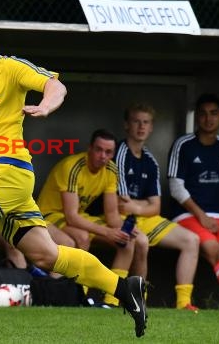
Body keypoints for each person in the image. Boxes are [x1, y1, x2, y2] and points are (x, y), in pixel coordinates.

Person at [0, 15, 147, 338]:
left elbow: (55, 85)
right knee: (46, 255)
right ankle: (124, 287)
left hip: (9, 169)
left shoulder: (10, 68)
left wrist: (46, 105)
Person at [37, 129, 149, 307]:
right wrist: (107, 232)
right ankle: (81, 296)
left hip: (75, 216)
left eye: (108, 152)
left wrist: (122, 228)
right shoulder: (73, 166)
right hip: (49, 214)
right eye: (98, 150)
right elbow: (71, 216)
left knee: (127, 241)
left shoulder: (111, 170)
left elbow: (112, 214)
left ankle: (112, 300)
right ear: (90, 148)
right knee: (82, 237)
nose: (103, 156)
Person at [116, 103, 200, 311]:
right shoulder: (119, 152)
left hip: (146, 218)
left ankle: (183, 303)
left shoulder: (151, 161)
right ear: (127, 125)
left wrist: (139, 206)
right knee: (140, 242)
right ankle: (134, 298)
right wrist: (143, 205)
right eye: (136, 121)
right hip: (118, 219)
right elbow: (121, 205)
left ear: (152, 127)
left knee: (192, 240)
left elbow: (156, 207)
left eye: (146, 122)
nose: (141, 126)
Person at [167, 93, 219, 289]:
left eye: (213, 113)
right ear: (196, 117)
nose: (208, 119)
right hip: (187, 215)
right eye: (203, 114)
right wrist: (201, 216)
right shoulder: (184, 144)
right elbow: (176, 187)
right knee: (216, 252)